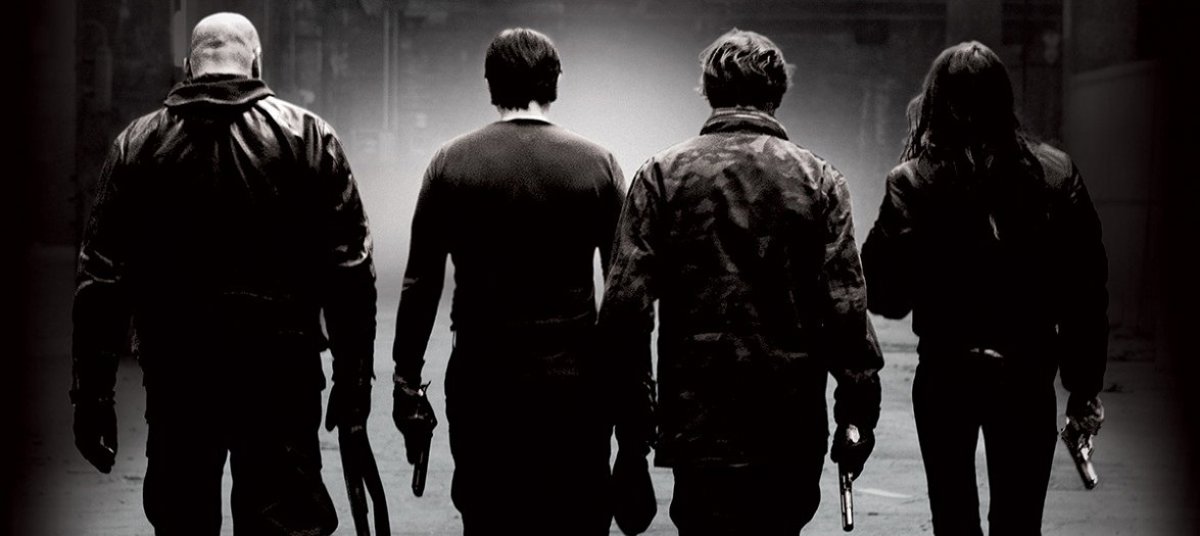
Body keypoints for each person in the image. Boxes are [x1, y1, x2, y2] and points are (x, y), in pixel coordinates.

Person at [70, 12, 378, 535]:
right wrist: (353, 382)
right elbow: (351, 269)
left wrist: (93, 397)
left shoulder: (136, 144)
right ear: (256, 61)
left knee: (183, 519)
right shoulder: (309, 136)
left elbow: (101, 279)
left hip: (179, 376)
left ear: (188, 66)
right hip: (280, 375)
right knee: (282, 522)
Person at [597, 28, 884, 536]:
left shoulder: (662, 175)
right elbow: (845, 309)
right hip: (789, 425)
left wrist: (633, 434)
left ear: (709, 91)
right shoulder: (819, 180)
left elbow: (624, 311)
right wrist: (857, 416)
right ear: (778, 93)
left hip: (698, 426)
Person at [861, 41, 1109, 535]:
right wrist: (1084, 387)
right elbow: (1085, 292)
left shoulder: (913, 181)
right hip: (1026, 374)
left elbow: (886, 295)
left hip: (946, 374)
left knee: (953, 519)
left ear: (937, 102)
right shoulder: (1056, 173)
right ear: (1004, 98)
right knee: (1019, 523)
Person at [389, 28, 629, 535]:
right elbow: (624, 292)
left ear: (490, 84)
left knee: (490, 517)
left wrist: (405, 380)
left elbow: (421, 283)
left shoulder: (449, 163)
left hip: (483, 382)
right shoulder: (599, 164)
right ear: (555, 83)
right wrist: (633, 403)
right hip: (574, 387)